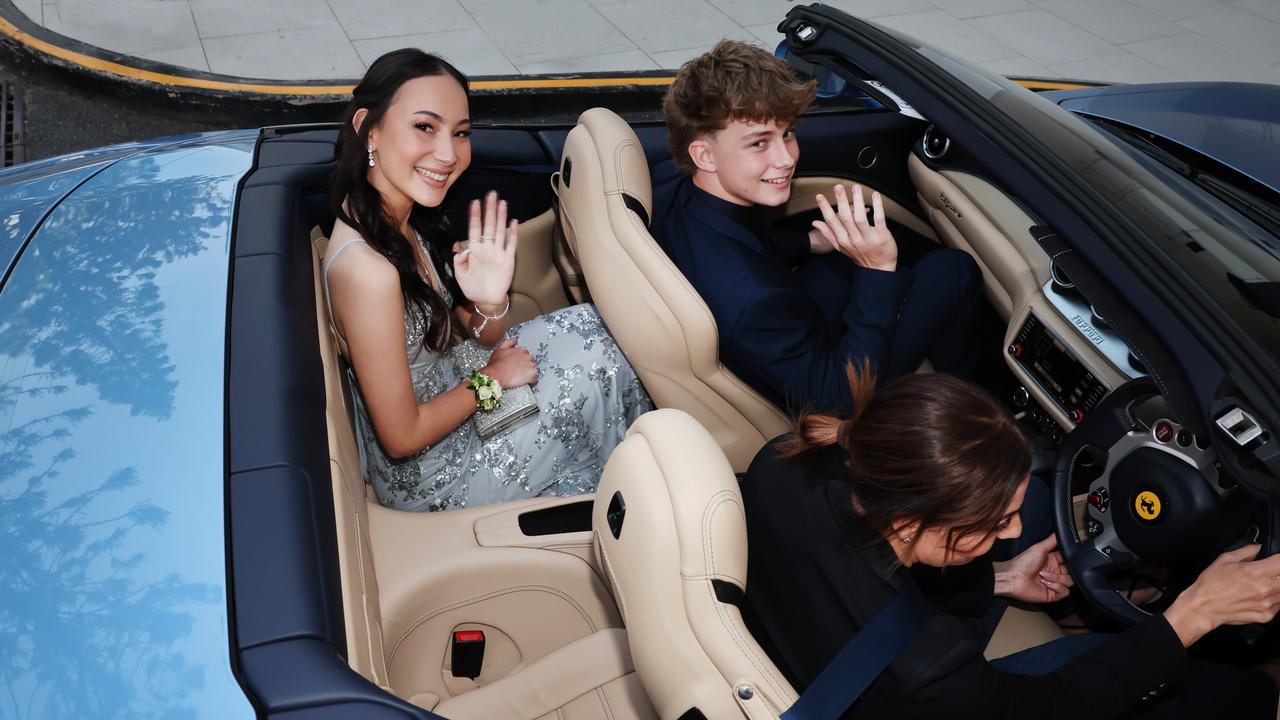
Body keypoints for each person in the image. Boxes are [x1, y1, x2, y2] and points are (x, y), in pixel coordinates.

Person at [741, 366, 1280, 718]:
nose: (1014, 530)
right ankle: (1264, 690)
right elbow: (1055, 704)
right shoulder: (934, 665)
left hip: (802, 628)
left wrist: (1001, 577)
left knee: (1043, 501)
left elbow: (878, 594)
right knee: (1160, 682)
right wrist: (1197, 612)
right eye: (994, 522)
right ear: (909, 525)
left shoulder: (782, 463)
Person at [324, 49, 652, 512]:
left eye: (460, 133)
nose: (448, 153)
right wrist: (491, 379)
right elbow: (401, 437)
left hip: (452, 389)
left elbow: (476, 331)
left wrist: (490, 302)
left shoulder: (401, 221)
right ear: (368, 129)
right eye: (425, 127)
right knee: (605, 368)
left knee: (602, 325)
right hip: (434, 471)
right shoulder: (368, 272)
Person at [650, 40, 983, 414]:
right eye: (759, 143)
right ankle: (968, 412)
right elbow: (840, 401)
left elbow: (745, 244)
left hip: (783, 322)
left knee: (851, 248)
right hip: (837, 390)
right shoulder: (754, 302)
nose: (786, 158)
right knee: (954, 271)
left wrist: (809, 242)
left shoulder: (668, 184)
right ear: (705, 155)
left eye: (787, 133)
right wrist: (876, 271)